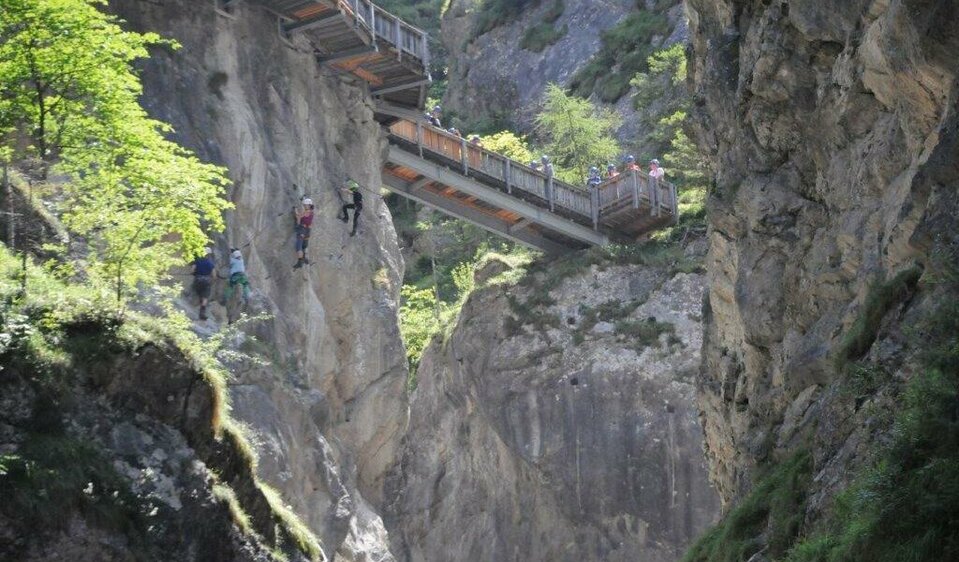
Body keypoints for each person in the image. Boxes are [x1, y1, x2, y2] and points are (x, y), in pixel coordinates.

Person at [192, 247, 215, 320]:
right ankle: (202, 312)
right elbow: (214, 275)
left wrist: (194, 273)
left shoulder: (197, 261)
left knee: (197, 292)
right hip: (206, 281)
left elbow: (192, 270)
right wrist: (212, 281)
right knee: (205, 297)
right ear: (208, 255)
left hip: (197, 279)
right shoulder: (210, 263)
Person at [293, 196, 314, 269]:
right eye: (304, 205)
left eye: (305, 205)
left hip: (302, 230)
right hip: (308, 231)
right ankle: (304, 258)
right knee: (303, 246)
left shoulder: (306, 212)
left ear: (309, 205)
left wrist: (295, 210)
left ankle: (300, 262)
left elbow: (298, 217)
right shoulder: (311, 212)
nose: (304, 206)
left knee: (299, 247)